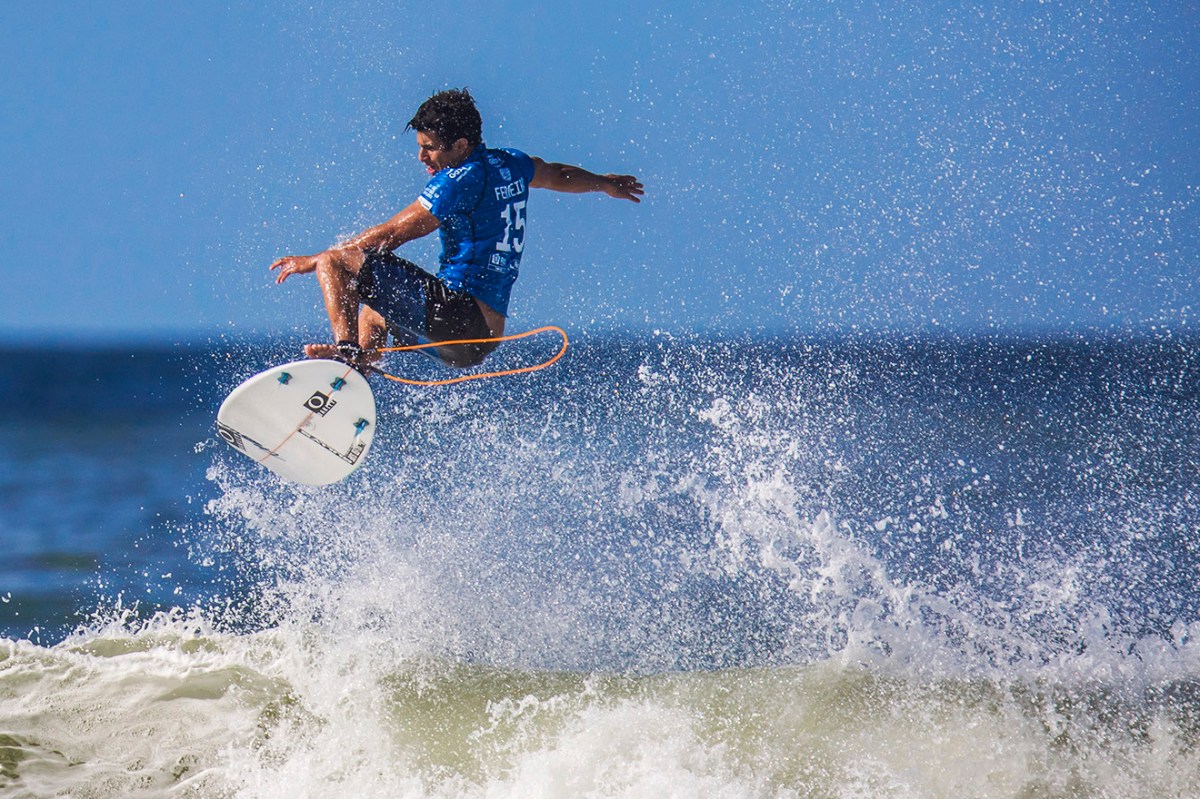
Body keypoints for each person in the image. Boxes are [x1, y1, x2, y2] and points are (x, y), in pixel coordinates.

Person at [270, 88, 644, 371]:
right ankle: (354, 371)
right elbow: (557, 174)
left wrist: (321, 260)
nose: (422, 157)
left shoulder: (458, 181)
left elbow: (391, 236)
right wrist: (602, 182)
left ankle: (348, 351)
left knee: (338, 261)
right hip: (478, 342)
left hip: (458, 319)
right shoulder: (511, 164)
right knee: (372, 311)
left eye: (430, 148)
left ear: (460, 145)